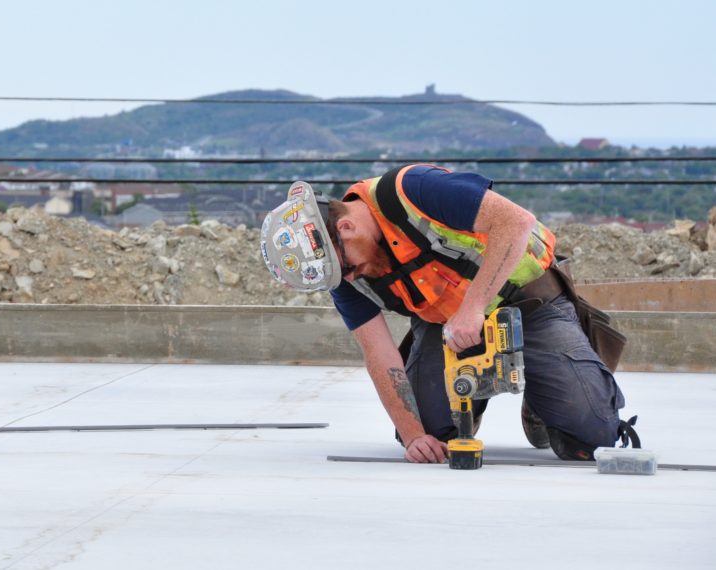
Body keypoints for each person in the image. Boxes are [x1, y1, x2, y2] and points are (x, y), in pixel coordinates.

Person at [259, 164, 639, 463]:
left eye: (348, 268)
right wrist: (413, 436)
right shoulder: (341, 270)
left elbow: (515, 222)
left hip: (532, 306)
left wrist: (473, 307)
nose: (350, 278)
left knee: (592, 440)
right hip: (449, 329)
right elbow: (378, 353)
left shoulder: (412, 190)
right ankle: (469, 401)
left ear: (345, 227)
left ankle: (541, 400)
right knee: (429, 433)